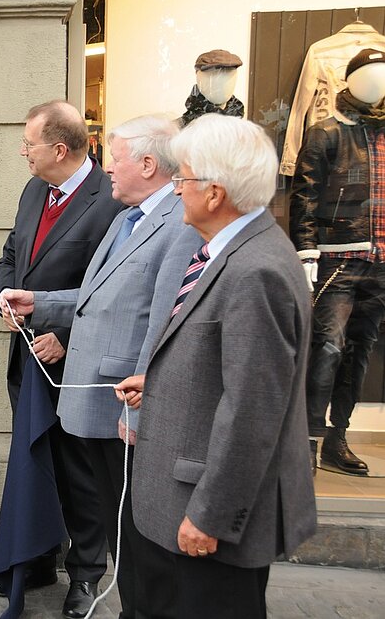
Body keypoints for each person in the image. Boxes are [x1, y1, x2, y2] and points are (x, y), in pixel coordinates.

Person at [0, 114, 202, 618]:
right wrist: (37, 303)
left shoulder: (177, 225)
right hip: (86, 396)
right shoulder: (126, 217)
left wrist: (142, 393)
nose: (107, 167)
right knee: (114, 518)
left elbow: (164, 324)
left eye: (115, 157)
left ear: (149, 164)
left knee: (126, 520)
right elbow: (96, 297)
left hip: (121, 400)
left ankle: (122, 595)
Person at [117, 114, 317, 618]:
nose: (176, 189)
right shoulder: (232, 251)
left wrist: (210, 517)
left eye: (181, 179)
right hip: (176, 504)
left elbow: (253, 412)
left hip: (205, 519)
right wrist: (162, 383)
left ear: (214, 192)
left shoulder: (257, 270)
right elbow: (225, 365)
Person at [0, 99, 122, 618]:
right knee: (36, 459)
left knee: (80, 473)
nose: (23, 151)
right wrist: (4, 295)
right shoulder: (34, 189)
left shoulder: (112, 201)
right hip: (27, 356)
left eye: (30, 143)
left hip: (78, 367)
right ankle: (39, 553)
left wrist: (67, 337)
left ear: (60, 148)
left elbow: (113, 289)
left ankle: (87, 573)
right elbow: (11, 253)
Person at [290, 48, 385, 475]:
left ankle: (338, 438)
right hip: (337, 258)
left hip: (380, 259)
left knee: (360, 351)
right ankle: (308, 439)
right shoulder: (327, 132)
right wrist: (306, 250)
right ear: (352, 79)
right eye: (370, 74)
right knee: (327, 347)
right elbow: (305, 194)